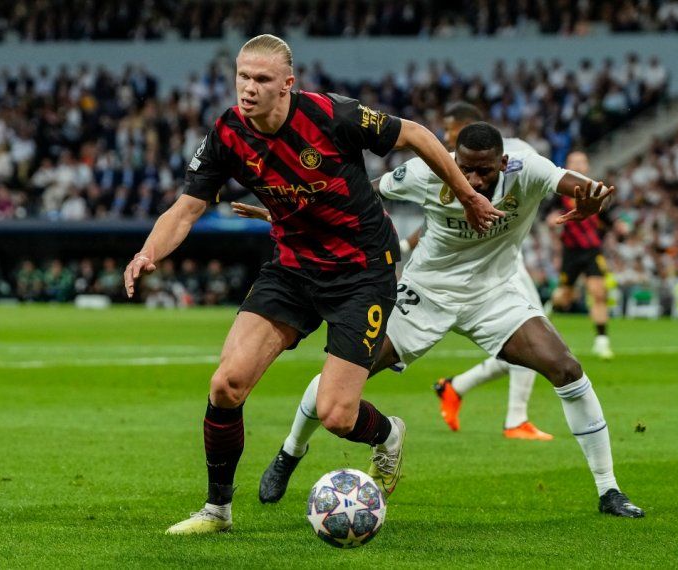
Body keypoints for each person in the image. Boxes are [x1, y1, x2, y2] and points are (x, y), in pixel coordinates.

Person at [122, 34, 503, 536]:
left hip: (362, 271)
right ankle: (217, 511)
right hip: (292, 267)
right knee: (226, 384)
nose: (249, 88)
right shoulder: (228, 133)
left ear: (286, 85)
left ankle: (387, 435)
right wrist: (149, 251)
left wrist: (467, 197)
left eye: (261, 79)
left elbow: (417, 135)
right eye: (243, 77)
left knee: (337, 415)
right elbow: (187, 208)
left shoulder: (332, 115)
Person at [240, 122, 644, 518]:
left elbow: (576, 184)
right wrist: (291, 212)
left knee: (567, 368)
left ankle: (609, 489)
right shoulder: (426, 172)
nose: (472, 177)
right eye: (464, 167)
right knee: (342, 375)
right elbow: (360, 192)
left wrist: (594, 198)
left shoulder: (527, 170)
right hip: (425, 293)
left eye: (483, 170)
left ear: (502, 163)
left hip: (495, 295)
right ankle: (291, 451)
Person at [418, 102, 554, 439]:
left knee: (531, 340)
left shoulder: (518, 153)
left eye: (449, 128)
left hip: (503, 264)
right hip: (469, 268)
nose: (445, 135)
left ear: (465, 125)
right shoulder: (450, 165)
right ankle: (513, 419)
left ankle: (459, 389)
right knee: (531, 341)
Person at [548, 151, 614, 359]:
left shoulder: (596, 191)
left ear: (587, 166)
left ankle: (602, 341)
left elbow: (608, 218)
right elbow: (547, 215)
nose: (577, 165)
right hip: (571, 252)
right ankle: (548, 307)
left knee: (598, 292)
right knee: (564, 298)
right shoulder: (559, 193)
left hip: (593, 250)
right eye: (573, 162)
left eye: (581, 162)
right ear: (567, 165)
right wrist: (551, 220)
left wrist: (619, 226)